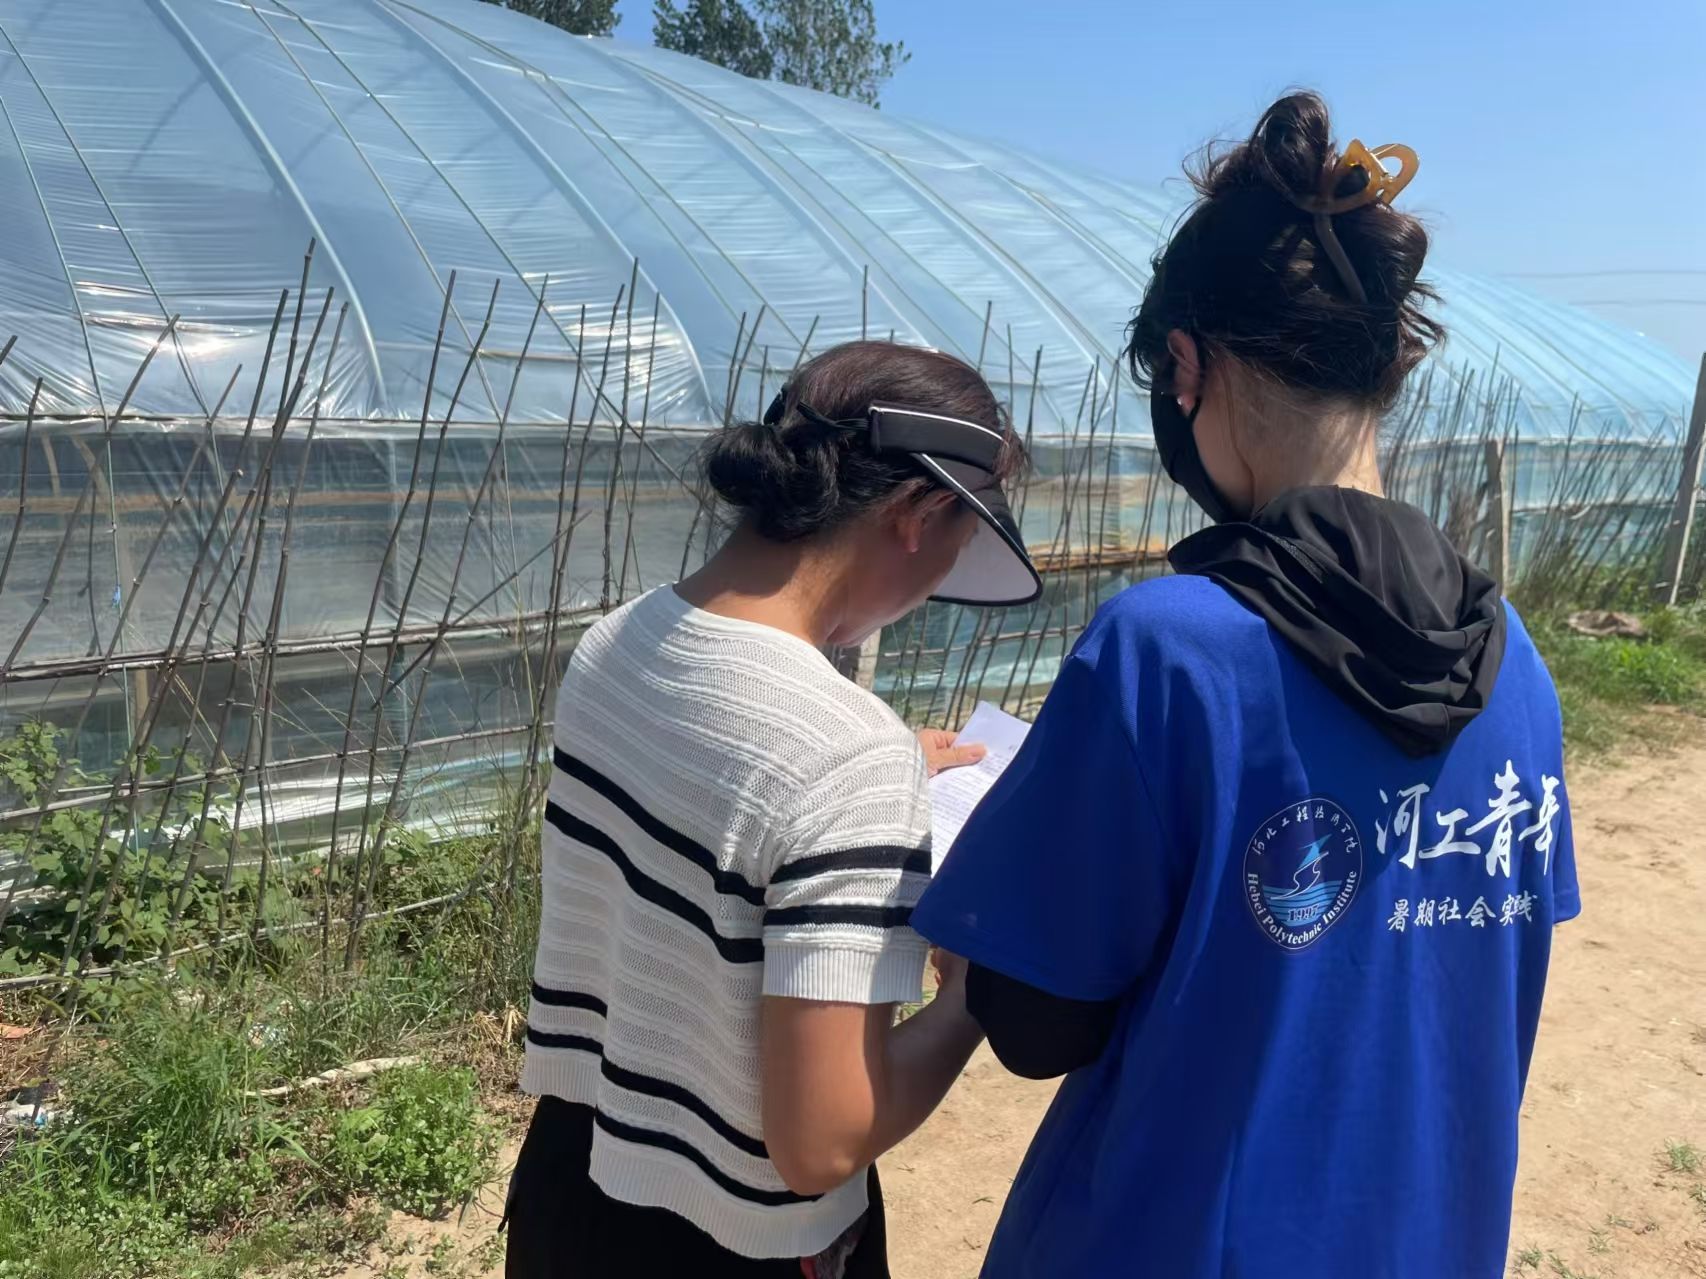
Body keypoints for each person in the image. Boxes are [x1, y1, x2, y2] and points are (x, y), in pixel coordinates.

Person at [913, 92, 1579, 1278]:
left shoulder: (1166, 650)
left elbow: (1032, 1023)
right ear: (1381, 366)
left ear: (1184, 365)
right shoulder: (1516, 668)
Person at [503, 340, 1042, 1278]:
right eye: (955, 553)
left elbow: (715, 817)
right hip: (731, 1243)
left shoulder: (616, 641)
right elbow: (823, 1142)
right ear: (918, 515)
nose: (929, 597)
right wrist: (970, 996)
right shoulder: (847, 753)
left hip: (573, 1189)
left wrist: (874, 784)